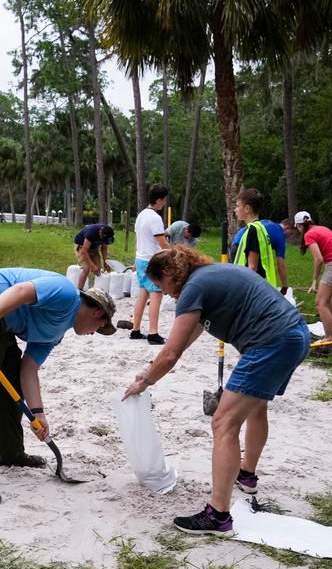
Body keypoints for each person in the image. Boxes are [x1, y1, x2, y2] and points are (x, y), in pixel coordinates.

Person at [122, 246, 310, 537]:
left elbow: (170, 354)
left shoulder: (193, 287)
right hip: (294, 335)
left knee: (223, 422)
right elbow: (183, 341)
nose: (165, 292)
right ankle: (246, 474)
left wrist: (145, 381)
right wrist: (150, 368)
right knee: (255, 406)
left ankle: (218, 516)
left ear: (171, 275)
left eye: (161, 285)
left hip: (271, 342)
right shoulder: (207, 278)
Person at [0, 269, 118, 504]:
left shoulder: (55, 335)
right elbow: (19, 291)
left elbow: (28, 369)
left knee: (12, 385)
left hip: (1, 324)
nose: (94, 333)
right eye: (99, 327)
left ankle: (9, 453)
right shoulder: (67, 294)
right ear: (97, 312)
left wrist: (39, 414)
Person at [288, 211, 332, 337]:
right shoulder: (321, 228)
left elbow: (318, 259)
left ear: (299, 226)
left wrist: (314, 281)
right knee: (326, 298)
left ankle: (328, 337)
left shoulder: (309, 235)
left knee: (320, 303)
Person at [130, 184, 171, 344]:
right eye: (164, 200)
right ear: (159, 200)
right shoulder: (155, 218)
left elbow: (137, 239)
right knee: (156, 294)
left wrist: (135, 258)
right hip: (151, 261)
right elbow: (162, 242)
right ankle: (153, 333)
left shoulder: (141, 215)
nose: (164, 203)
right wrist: (176, 253)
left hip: (140, 258)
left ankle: (135, 330)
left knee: (142, 294)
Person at [229, 188, 288, 294]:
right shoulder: (260, 227)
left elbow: (252, 267)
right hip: (260, 284)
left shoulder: (253, 230)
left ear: (247, 209)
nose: (235, 210)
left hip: (251, 288)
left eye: (238, 206)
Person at [73, 223, 116, 289]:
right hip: (81, 247)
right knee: (86, 269)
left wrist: (106, 262)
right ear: (100, 234)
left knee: (99, 270)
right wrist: (93, 266)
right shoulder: (91, 233)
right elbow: (84, 251)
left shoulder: (106, 233)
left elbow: (104, 249)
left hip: (93, 248)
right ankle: (79, 291)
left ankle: (97, 290)